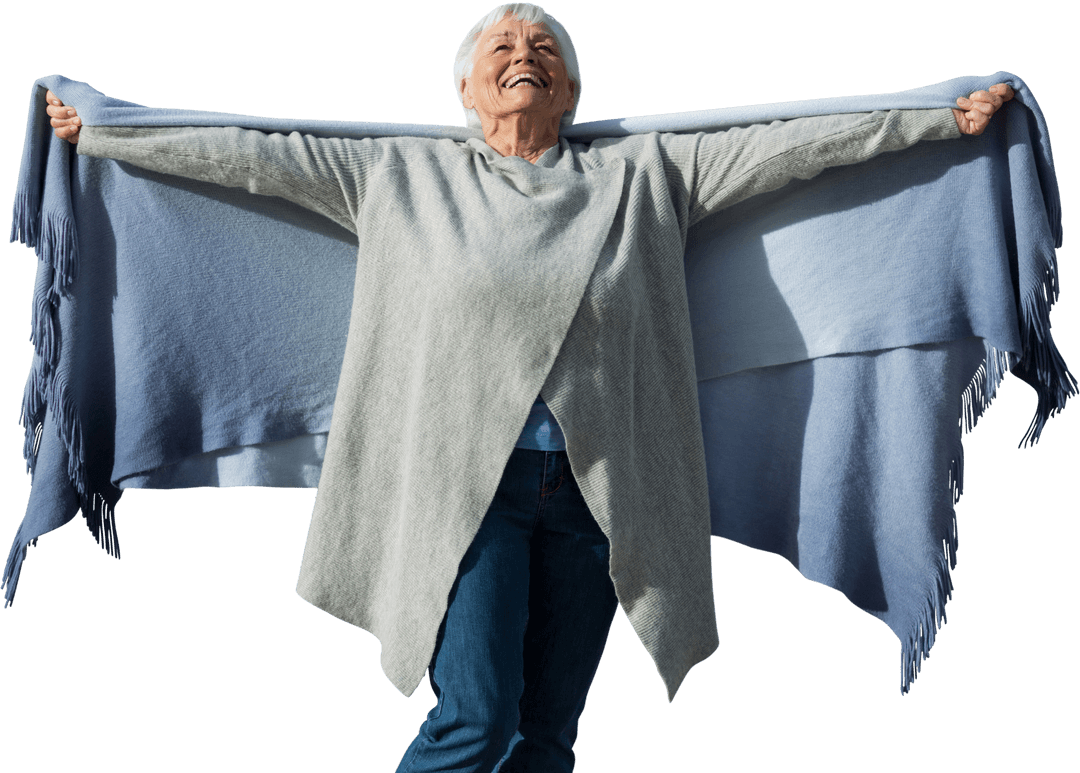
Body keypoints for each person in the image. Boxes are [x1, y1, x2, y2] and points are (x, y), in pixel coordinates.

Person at [45, 4, 1012, 772]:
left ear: (574, 85)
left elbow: (790, 143)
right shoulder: (400, 175)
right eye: (502, 44)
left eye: (544, 44)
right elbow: (250, 153)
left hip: (601, 496)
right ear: (465, 86)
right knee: (476, 715)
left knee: (548, 738)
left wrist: (936, 116)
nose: (525, 52)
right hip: (472, 496)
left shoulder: (647, 175)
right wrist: (107, 131)